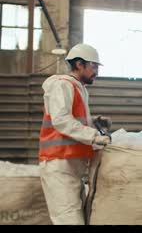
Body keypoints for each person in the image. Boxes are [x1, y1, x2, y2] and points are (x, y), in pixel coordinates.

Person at [38, 43, 112, 225]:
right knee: (69, 220)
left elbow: (73, 121)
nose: (96, 72)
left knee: (78, 218)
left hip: (72, 165)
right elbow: (62, 120)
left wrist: (94, 122)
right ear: (80, 64)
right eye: (94, 66)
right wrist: (94, 136)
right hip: (59, 163)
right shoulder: (62, 85)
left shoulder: (78, 88)